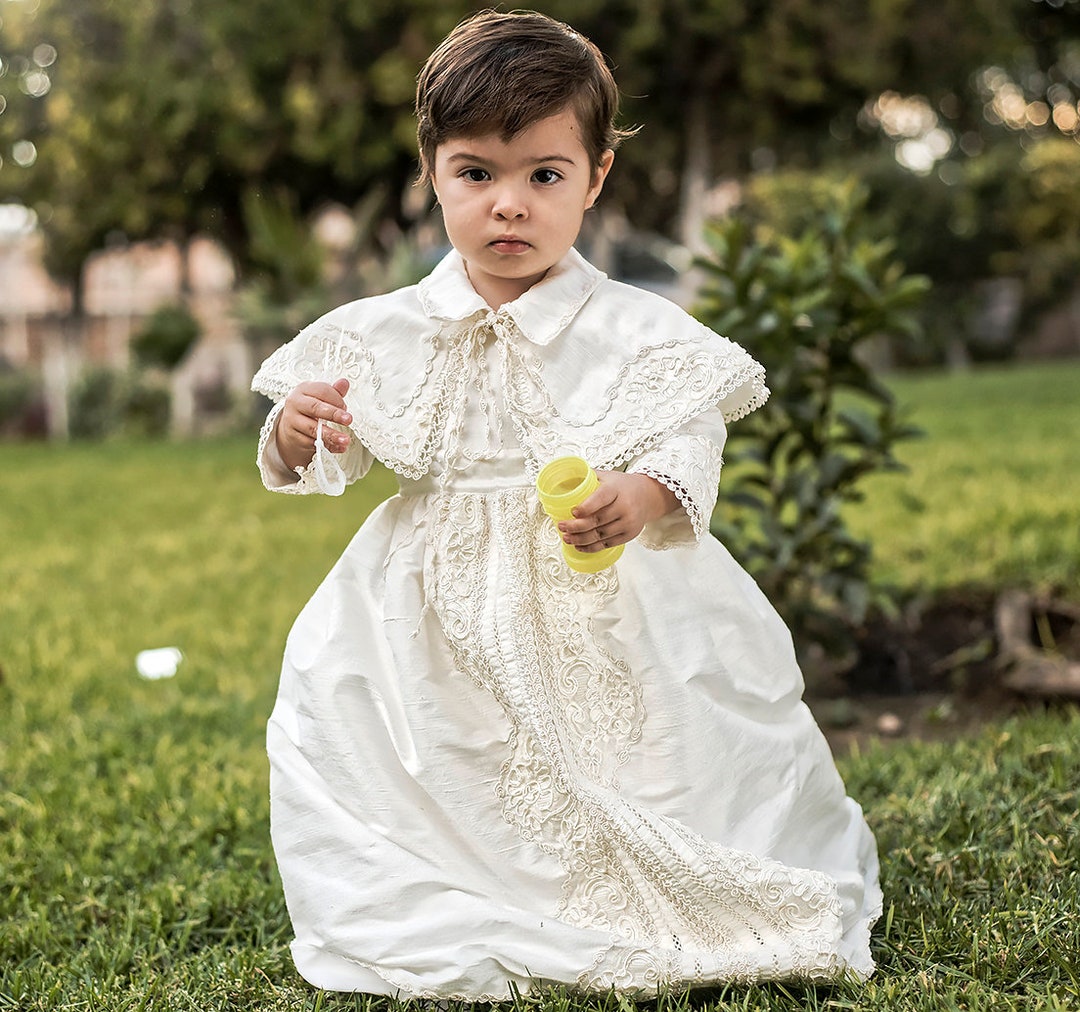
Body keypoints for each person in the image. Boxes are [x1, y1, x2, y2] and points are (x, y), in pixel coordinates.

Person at [252, 9, 881, 1000]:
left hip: (599, 593)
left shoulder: (634, 327)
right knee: (400, 729)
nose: (510, 206)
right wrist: (300, 435)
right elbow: (326, 445)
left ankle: (658, 873)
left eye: (543, 175)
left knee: (648, 743)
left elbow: (686, 430)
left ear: (594, 179)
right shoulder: (387, 330)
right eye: (477, 174)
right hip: (431, 601)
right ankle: (450, 873)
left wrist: (641, 493)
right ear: (434, 174)